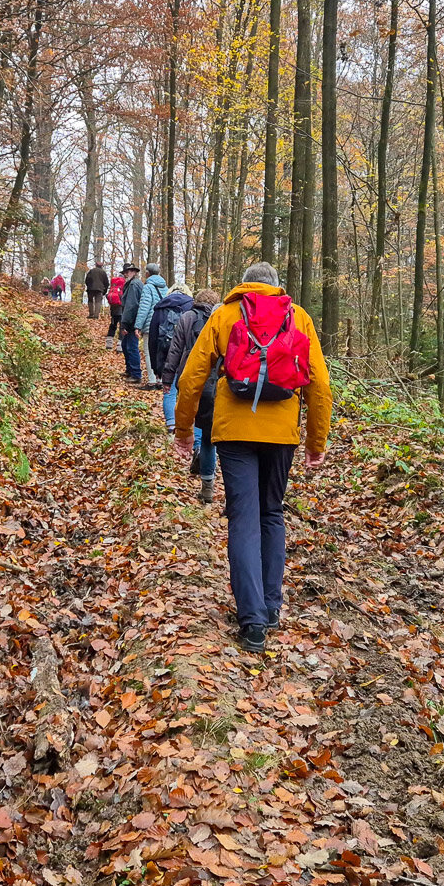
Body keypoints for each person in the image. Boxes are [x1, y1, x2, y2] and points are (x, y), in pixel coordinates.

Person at [173, 262, 330, 653]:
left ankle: (253, 622)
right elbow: (320, 384)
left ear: (244, 282)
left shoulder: (225, 314)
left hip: (235, 432)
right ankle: (272, 607)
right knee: (271, 513)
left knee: (243, 516)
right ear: (276, 287)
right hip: (281, 432)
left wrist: (182, 433)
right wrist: (315, 442)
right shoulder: (299, 317)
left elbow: (191, 378)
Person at [162, 288, 220, 503]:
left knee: (197, 422)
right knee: (210, 434)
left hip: (190, 374)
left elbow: (175, 350)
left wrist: (168, 378)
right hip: (216, 379)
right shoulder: (220, 317)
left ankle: (206, 483)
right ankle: (211, 481)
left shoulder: (186, 317)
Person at [148, 282, 193, 396]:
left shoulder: (161, 307)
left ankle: (170, 415)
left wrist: (155, 367)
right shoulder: (192, 306)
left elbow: (152, 340)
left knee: (169, 392)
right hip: (186, 353)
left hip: (165, 353)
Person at [133, 265, 168, 389]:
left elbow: (144, 307)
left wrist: (138, 326)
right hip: (164, 324)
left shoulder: (148, 287)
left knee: (149, 353)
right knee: (161, 353)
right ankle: (161, 380)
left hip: (151, 324)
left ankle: (152, 381)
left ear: (148, 273)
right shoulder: (166, 287)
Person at [118, 265, 145, 381]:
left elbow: (131, 305)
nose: (125, 274)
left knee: (131, 347)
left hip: (132, 321)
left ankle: (136, 374)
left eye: (128, 272)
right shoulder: (132, 284)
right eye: (125, 272)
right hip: (132, 320)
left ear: (134, 272)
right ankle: (130, 370)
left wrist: (125, 323)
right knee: (125, 345)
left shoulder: (134, 284)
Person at [107, 266, 130, 349]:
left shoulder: (114, 283)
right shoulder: (125, 283)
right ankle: (120, 346)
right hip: (121, 307)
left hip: (113, 308)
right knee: (121, 326)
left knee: (113, 324)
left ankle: (109, 343)